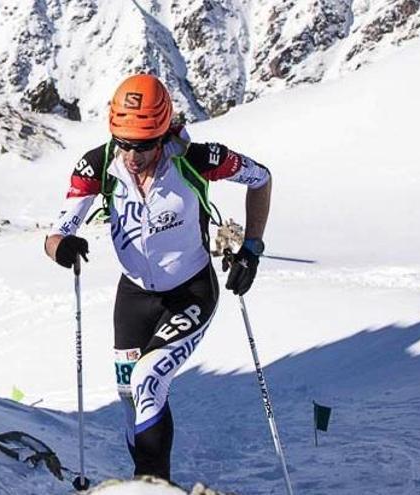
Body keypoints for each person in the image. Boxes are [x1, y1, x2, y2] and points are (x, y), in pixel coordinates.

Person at [43, 74, 272, 482]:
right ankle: (147, 482)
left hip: (191, 291)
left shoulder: (199, 159)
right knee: (132, 400)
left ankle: (155, 488)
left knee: (148, 379)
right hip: (133, 297)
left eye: (144, 144)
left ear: (164, 132)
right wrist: (61, 247)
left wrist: (251, 248)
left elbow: (261, 178)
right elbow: (57, 231)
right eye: (124, 142)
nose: (132, 155)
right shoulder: (98, 165)